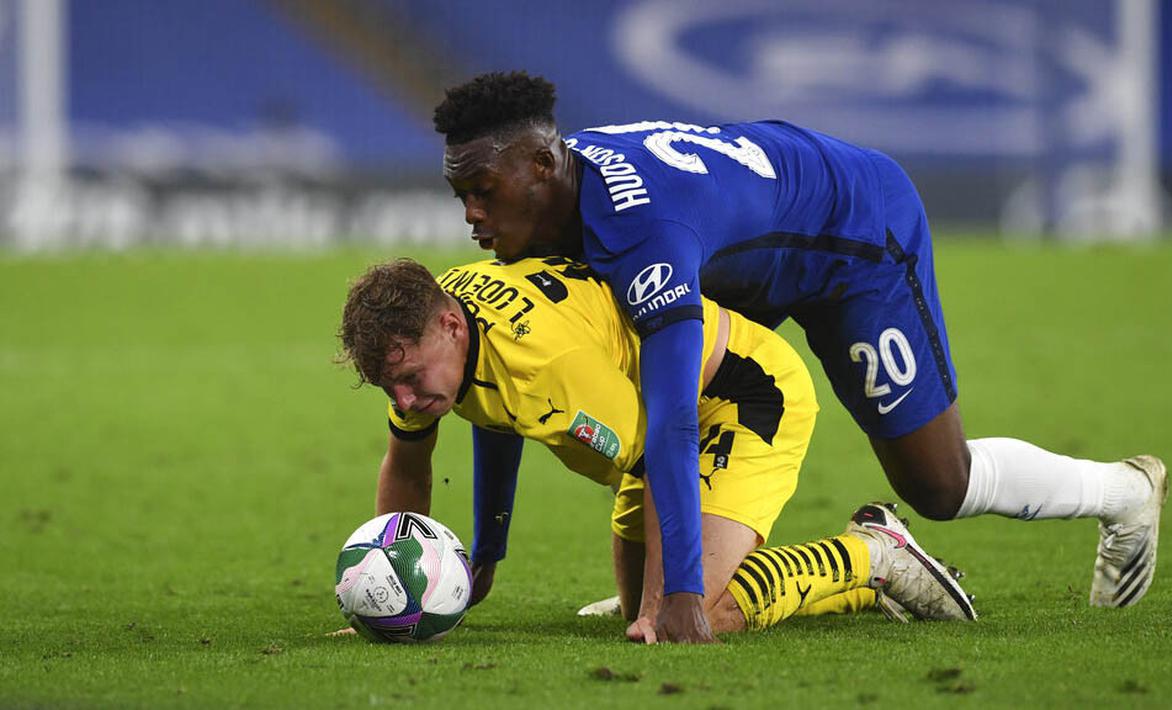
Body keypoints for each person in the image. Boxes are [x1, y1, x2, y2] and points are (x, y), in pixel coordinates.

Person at [429, 71, 1168, 643]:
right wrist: (488, 548)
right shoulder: (555, 204)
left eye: (482, 190)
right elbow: (504, 379)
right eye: (460, 192)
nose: (470, 213)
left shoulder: (642, 231)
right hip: (747, 245)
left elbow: (673, 420)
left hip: (855, 239)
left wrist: (685, 594)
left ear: (539, 164)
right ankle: (672, 579)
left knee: (939, 485)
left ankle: (1122, 493)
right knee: (631, 368)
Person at [336, 256, 977, 641]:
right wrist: (482, 555)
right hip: (653, 419)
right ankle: (679, 584)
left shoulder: (548, 368)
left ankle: (869, 558)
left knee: (698, 612)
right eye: (388, 384)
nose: (404, 398)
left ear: (450, 325)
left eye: (412, 379)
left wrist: (667, 604)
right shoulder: (443, 326)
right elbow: (457, 437)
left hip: (741, 398)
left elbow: (658, 460)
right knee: (653, 597)